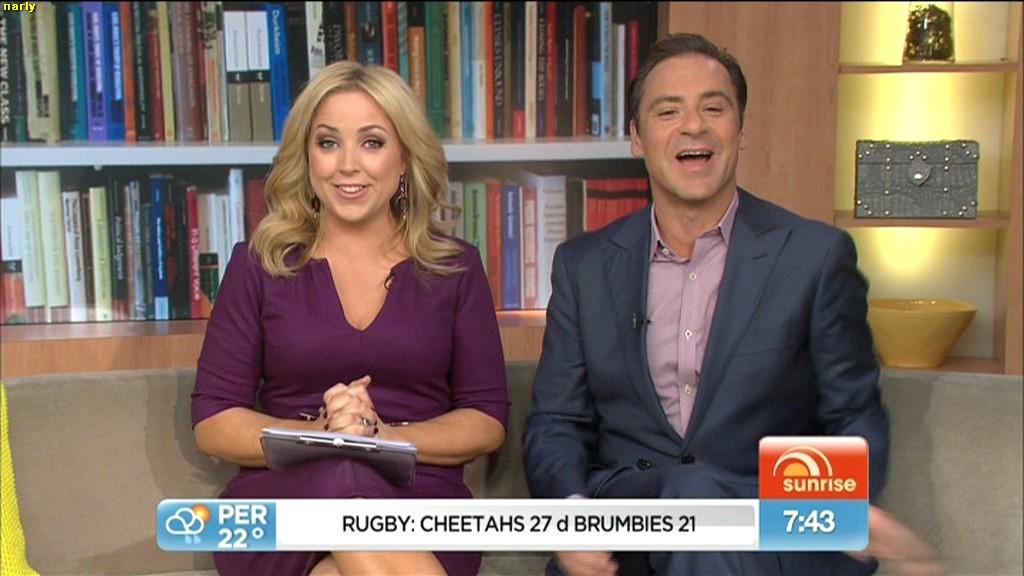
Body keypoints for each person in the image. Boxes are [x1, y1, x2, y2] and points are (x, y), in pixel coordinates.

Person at [523, 33, 944, 576]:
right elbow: (557, 422)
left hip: (768, 527)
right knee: (687, 492)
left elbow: (852, 414)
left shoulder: (814, 257)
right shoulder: (583, 266)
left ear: (740, 130)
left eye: (713, 109)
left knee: (698, 496)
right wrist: (569, 520)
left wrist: (837, 511)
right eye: (668, 111)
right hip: (630, 531)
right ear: (637, 138)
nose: (693, 126)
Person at [191, 60, 510, 576]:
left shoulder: (456, 268)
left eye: (372, 143)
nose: (347, 165)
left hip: (418, 496)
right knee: (345, 484)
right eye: (328, 142)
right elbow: (213, 422)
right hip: (284, 496)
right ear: (306, 157)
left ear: (404, 158)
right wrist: (320, 435)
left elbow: (486, 419)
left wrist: (383, 440)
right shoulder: (257, 265)